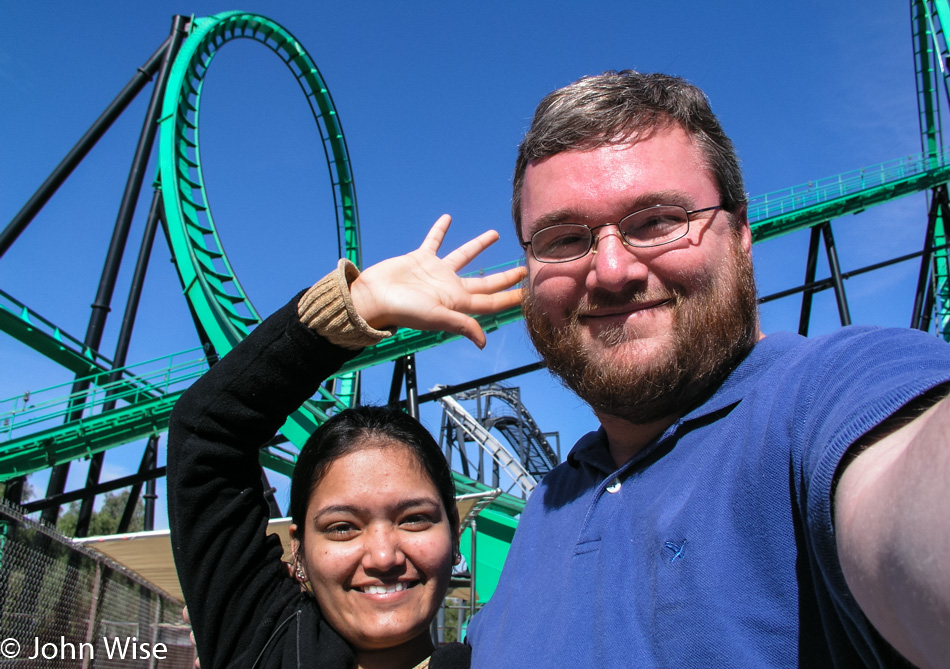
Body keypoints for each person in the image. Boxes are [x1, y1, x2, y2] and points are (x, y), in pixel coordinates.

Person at [466, 70, 950, 668]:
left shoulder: (833, 399)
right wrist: (344, 320)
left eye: (658, 221)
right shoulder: (542, 514)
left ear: (741, 233)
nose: (612, 270)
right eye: (564, 240)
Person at [167, 216, 524, 669]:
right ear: (298, 550)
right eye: (341, 527)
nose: (382, 556)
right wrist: (359, 305)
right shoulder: (261, 645)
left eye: (414, 519)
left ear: (455, 535)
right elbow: (204, 431)